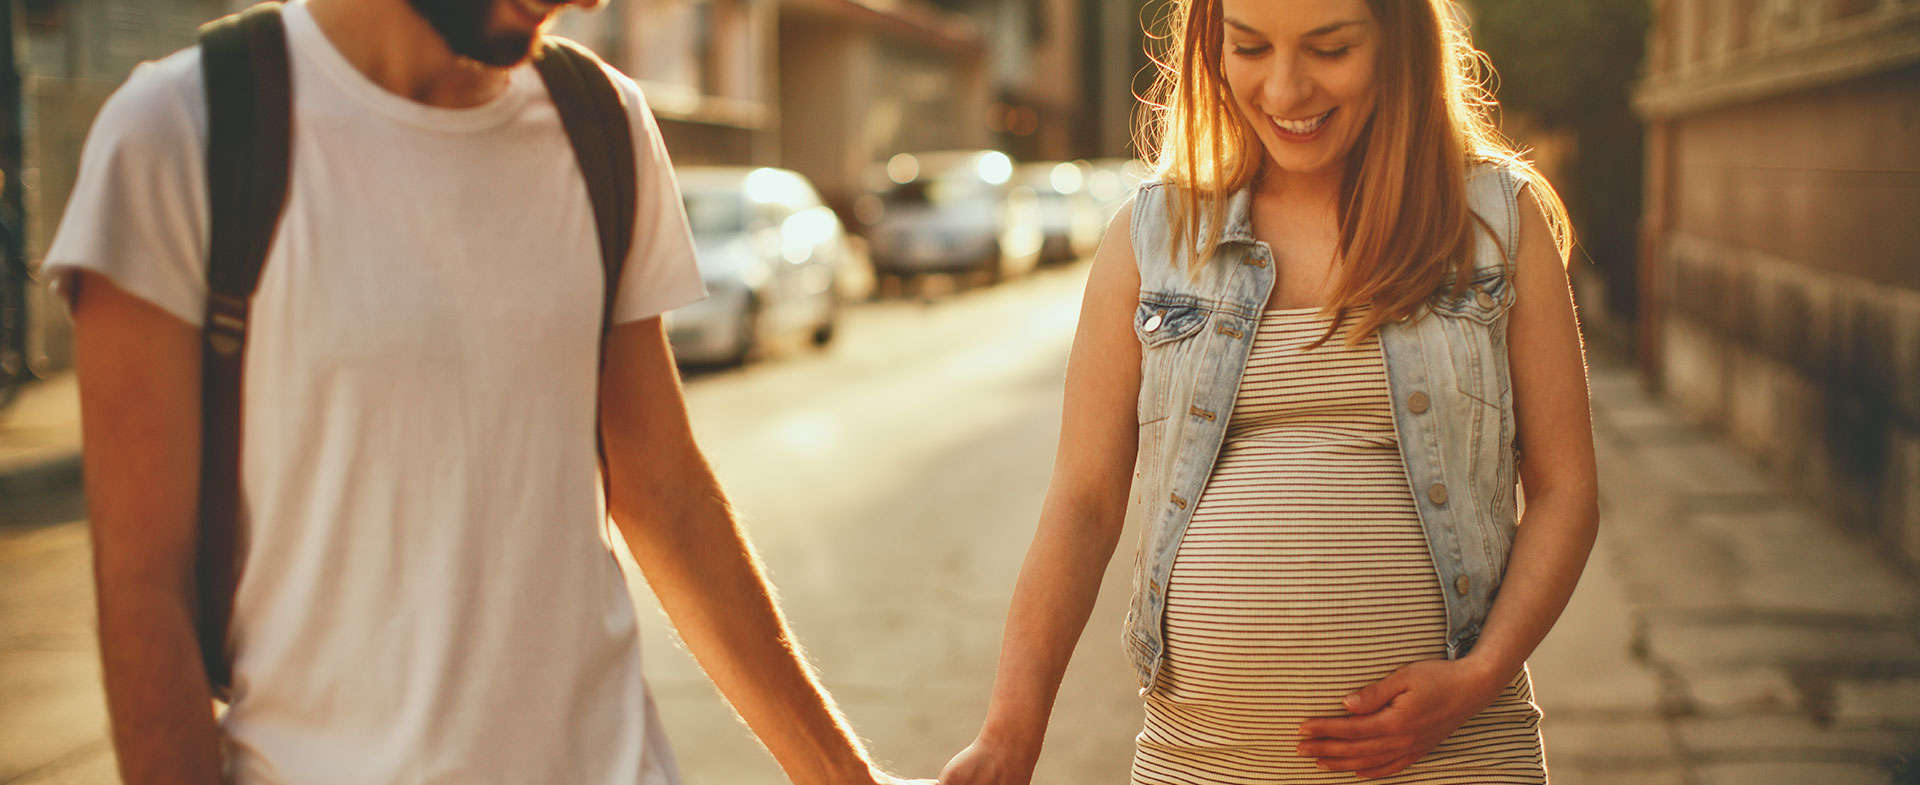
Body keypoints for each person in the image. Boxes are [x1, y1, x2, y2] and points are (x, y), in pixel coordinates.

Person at [49, 1, 930, 783]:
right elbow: (140, 588)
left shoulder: (604, 127)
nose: (586, 2)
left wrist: (845, 776)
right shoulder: (182, 133)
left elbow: (664, 491)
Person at [941, 0, 1598, 782]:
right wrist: (1010, 731)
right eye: (1249, 48)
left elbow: (1565, 488)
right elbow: (1083, 503)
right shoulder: (1151, 237)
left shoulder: (1496, 220)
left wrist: (1478, 676)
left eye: (1329, 49)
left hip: (1456, 756)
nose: (1285, 92)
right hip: (1204, 761)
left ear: (1398, 42)